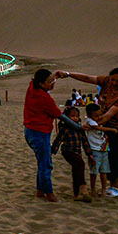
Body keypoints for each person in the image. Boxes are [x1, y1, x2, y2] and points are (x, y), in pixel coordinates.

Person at [57, 68, 118, 197]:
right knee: (108, 156)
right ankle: (106, 186)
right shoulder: (106, 82)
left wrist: (88, 124)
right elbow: (87, 78)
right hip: (105, 125)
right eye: (113, 80)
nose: (114, 83)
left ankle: (115, 188)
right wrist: (69, 74)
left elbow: (108, 115)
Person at [23, 69, 81, 203]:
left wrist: (55, 74)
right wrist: (78, 126)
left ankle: (40, 190)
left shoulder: (32, 88)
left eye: (53, 80)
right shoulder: (44, 98)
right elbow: (60, 116)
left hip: (30, 131)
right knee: (46, 164)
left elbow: (44, 77)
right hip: (39, 133)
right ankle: (49, 194)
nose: (53, 83)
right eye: (50, 82)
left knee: (42, 162)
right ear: (41, 83)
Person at [51, 106, 94, 202]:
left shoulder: (80, 128)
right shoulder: (65, 128)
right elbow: (58, 140)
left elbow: (85, 142)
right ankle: (83, 189)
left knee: (76, 170)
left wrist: (89, 154)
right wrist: (52, 151)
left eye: (77, 116)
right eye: (72, 116)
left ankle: (76, 194)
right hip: (67, 151)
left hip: (77, 152)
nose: (75, 118)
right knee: (80, 164)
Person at [83, 103, 117, 199]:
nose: (98, 118)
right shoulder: (90, 121)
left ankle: (103, 189)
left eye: (99, 115)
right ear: (90, 115)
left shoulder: (96, 120)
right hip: (95, 150)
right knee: (94, 171)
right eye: (96, 116)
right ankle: (93, 189)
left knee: (104, 171)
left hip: (104, 149)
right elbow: (98, 128)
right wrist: (111, 129)